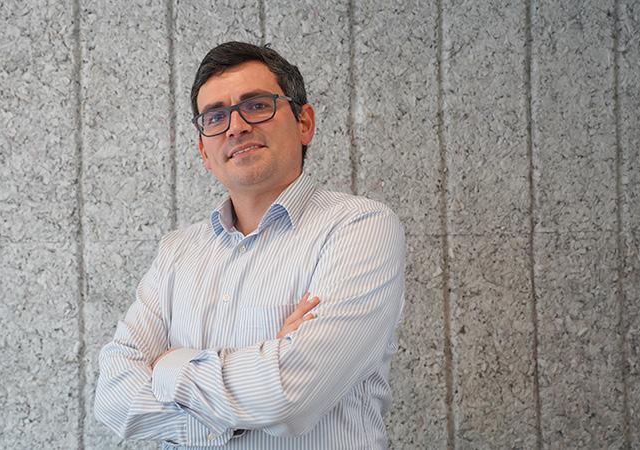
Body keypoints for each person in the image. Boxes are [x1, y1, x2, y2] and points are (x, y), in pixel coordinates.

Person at [94, 41, 406, 449]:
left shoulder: (358, 228)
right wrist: (263, 374)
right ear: (204, 151)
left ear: (304, 123)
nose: (236, 127)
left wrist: (171, 366)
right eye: (215, 116)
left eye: (257, 105)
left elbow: (291, 394)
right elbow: (113, 397)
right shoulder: (176, 253)